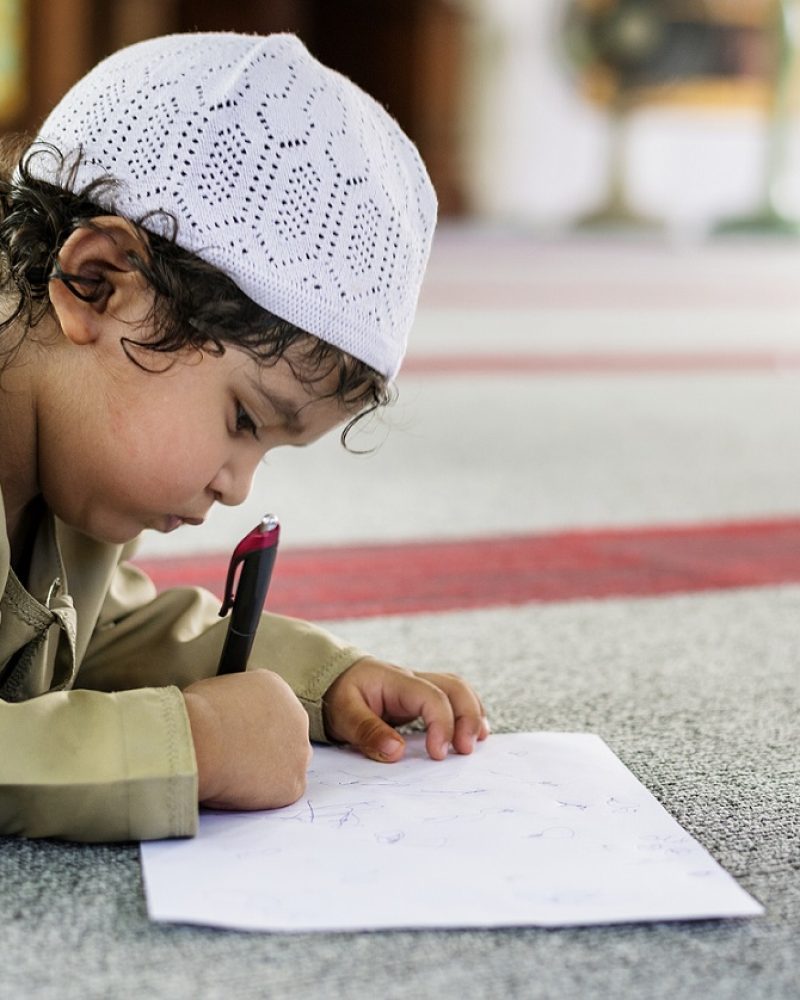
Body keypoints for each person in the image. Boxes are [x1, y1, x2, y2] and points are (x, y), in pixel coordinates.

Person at [0, 32, 489, 842]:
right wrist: (186, 745)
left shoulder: (71, 460)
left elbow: (94, 631)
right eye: (243, 421)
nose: (236, 488)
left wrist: (320, 678)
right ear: (96, 284)